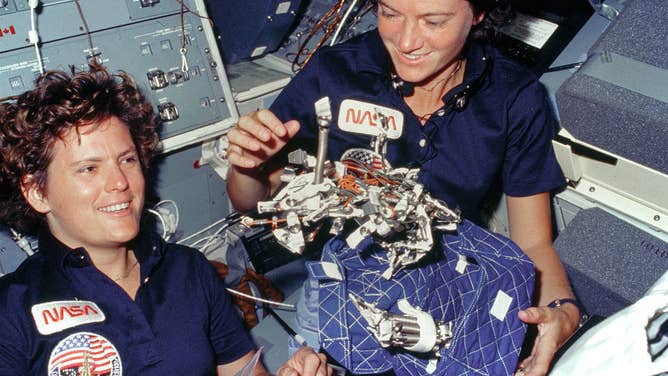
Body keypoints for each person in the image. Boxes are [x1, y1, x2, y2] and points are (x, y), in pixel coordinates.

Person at [225, 0, 582, 374]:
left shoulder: (514, 96)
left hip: (451, 287)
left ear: (479, 14)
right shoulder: (334, 73)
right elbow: (253, 200)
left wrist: (564, 313)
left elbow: (531, 244)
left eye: (434, 21)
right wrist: (247, 164)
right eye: (390, 12)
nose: (406, 41)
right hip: (342, 292)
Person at [0, 66, 331, 376]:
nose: (120, 182)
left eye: (127, 159)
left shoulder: (188, 269)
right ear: (36, 192)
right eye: (89, 168)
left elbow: (243, 370)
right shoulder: (11, 311)